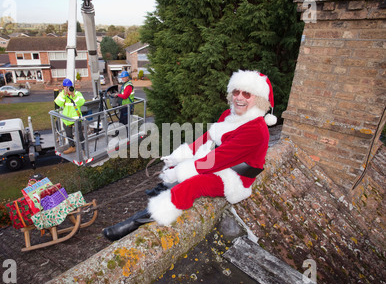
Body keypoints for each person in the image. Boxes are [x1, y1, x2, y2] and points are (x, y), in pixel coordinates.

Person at [103, 69, 277, 241]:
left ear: (259, 100)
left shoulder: (256, 130)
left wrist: (179, 171)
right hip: (217, 161)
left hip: (234, 177)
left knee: (191, 185)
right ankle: (163, 188)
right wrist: (177, 157)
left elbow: (218, 159)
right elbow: (208, 138)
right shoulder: (229, 114)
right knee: (174, 166)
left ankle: (135, 223)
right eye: (236, 92)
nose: (239, 97)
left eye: (247, 94)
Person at [54, 78, 86, 154]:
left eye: (69, 86)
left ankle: (83, 148)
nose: (68, 88)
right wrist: (64, 95)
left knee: (79, 134)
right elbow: (58, 103)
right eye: (66, 87)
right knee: (68, 134)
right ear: (63, 87)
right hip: (66, 118)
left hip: (76, 118)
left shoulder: (77, 93)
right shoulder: (62, 94)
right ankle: (72, 147)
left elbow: (81, 103)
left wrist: (73, 95)